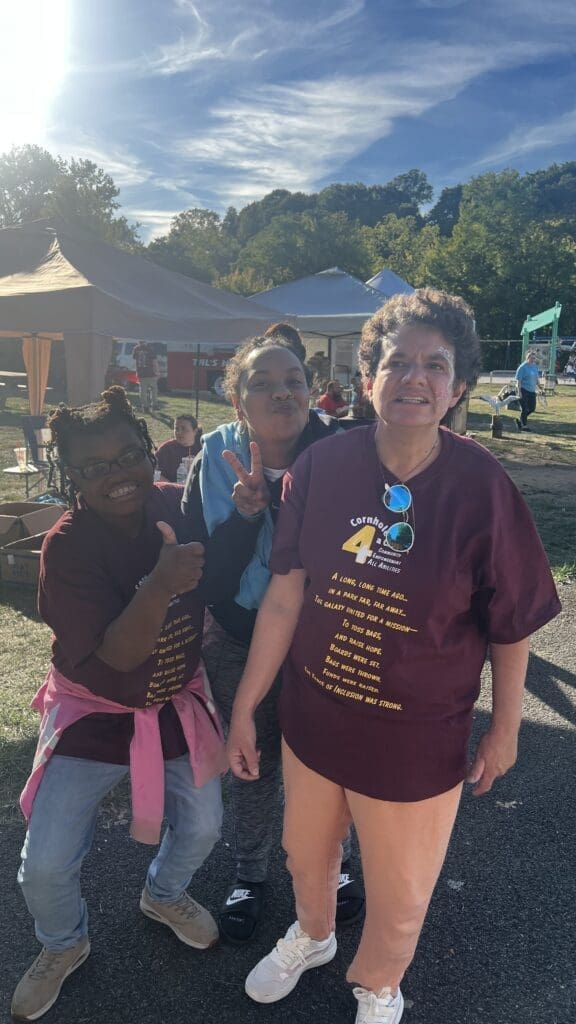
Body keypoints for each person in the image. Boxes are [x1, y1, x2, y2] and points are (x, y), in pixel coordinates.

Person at [227, 289, 561, 1024]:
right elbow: (286, 594)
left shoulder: (485, 489)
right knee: (306, 857)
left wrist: (504, 729)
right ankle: (313, 936)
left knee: (402, 888)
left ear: (459, 387)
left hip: (416, 737)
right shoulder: (322, 468)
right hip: (315, 720)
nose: (414, 378)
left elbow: (512, 625)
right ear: (368, 375)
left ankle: (379, 982)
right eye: (397, 361)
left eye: (434, 366)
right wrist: (249, 704)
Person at [12, 387, 226, 1023]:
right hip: (94, 712)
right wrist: (160, 582)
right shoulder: (66, 548)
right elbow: (120, 658)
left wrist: (240, 515)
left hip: (173, 701)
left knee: (206, 824)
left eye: (128, 456)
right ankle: (63, 943)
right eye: (94, 468)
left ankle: (164, 893)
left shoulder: (174, 505)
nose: (117, 476)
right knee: (44, 864)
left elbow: (223, 569)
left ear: (147, 450)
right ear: (70, 476)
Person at [181, 328, 365, 944]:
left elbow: (351, 555)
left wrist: (283, 507)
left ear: (314, 393)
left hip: (324, 641)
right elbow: (209, 580)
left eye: (294, 381)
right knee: (252, 762)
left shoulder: (345, 453)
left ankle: (337, 866)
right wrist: (247, 514)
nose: (281, 393)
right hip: (237, 637)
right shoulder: (215, 456)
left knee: (334, 758)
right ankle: (250, 874)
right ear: (238, 402)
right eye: (262, 384)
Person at [156, 414, 203, 482]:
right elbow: (155, 474)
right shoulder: (166, 449)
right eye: (176, 429)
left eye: (183, 429)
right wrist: (171, 487)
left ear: (195, 431)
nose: (179, 432)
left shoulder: (202, 448)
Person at [514, 350, 540, 431]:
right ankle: (524, 426)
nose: (533, 360)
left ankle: (520, 420)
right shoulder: (522, 367)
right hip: (523, 389)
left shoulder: (534, 366)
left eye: (534, 358)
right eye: (531, 358)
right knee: (524, 408)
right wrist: (519, 391)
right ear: (527, 358)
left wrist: (540, 387)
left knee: (532, 408)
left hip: (532, 391)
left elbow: (536, 378)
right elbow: (519, 381)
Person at [133, 341, 160, 413]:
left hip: (141, 373)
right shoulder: (150, 349)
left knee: (143, 391)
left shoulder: (136, 349)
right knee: (154, 390)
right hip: (151, 373)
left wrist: (137, 372)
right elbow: (154, 362)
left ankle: (145, 406)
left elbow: (135, 361)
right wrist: (157, 372)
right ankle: (154, 405)